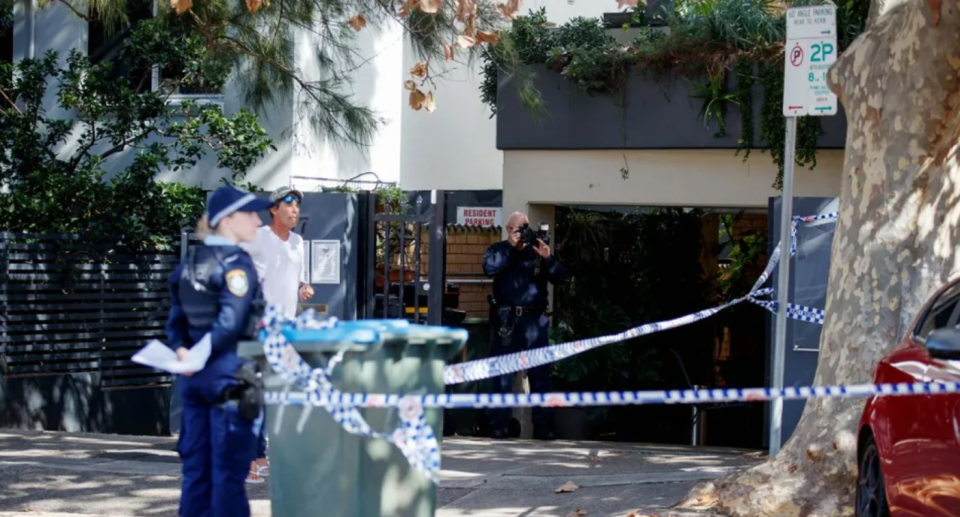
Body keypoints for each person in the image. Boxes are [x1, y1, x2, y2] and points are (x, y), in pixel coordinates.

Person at [165, 185, 271, 517]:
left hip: (194, 380)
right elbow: (231, 319)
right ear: (227, 220)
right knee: (228, 471)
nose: (258, 220)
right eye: (251, 213)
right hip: (230, 376)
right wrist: (200, 353)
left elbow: (175, 321)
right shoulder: (237, 263)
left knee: (197, 470)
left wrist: (183, 351)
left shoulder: (190, 261)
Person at [238, 186, 314, 483]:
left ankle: (270, 453)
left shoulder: (298, 242)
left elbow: (299, 281)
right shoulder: (257, 239)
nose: (295, 210)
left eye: (298, 205)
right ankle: (254, 457)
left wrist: (303, 289)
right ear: (273, 209)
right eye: (289, 204)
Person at [483, 211, 566, 440]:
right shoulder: (499, 250)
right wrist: (512, 245)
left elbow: (560, 277)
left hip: (534, 321)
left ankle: (544, 428)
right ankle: (498, 426)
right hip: (507, 321)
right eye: (519, 228)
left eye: (526, 227)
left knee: (541, 375)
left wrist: (548, 258)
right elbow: (489, 268)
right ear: (509, 229)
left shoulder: (537, 252)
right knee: (502, 374)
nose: (523, 232)